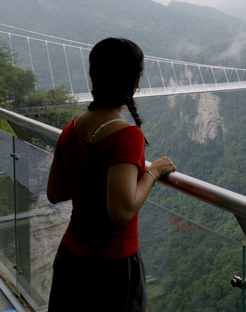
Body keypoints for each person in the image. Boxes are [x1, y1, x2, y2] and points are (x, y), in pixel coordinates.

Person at [46, 37, 176, 311]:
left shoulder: (72, 128)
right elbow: (122, 211)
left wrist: (89, 175)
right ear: (137, 81)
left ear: (93, 76)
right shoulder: (128, 135)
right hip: (113, 269)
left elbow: (55, 193)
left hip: (70, 260)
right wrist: (153, 172)